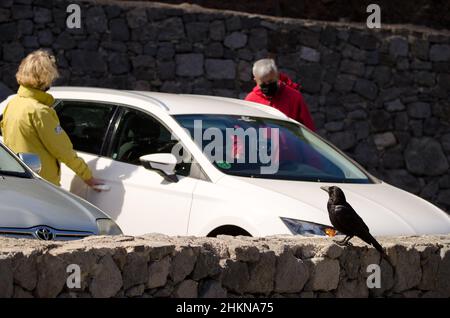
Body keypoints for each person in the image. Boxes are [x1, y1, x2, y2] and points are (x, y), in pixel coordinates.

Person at [0, 49, 102, 188]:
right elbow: (63, 150)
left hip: (18, 179)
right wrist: (87, 176)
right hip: (42, 184)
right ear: (45, 77)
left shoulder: (12, 104)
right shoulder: (40, 111)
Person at [245, 58, 316, 131]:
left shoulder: (294, 97)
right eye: (263, 83)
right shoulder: (251, 100)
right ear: (255, 80)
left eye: (270, 81)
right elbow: (243, 128)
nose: (267, 85)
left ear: (277, 76)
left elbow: (308, 129)